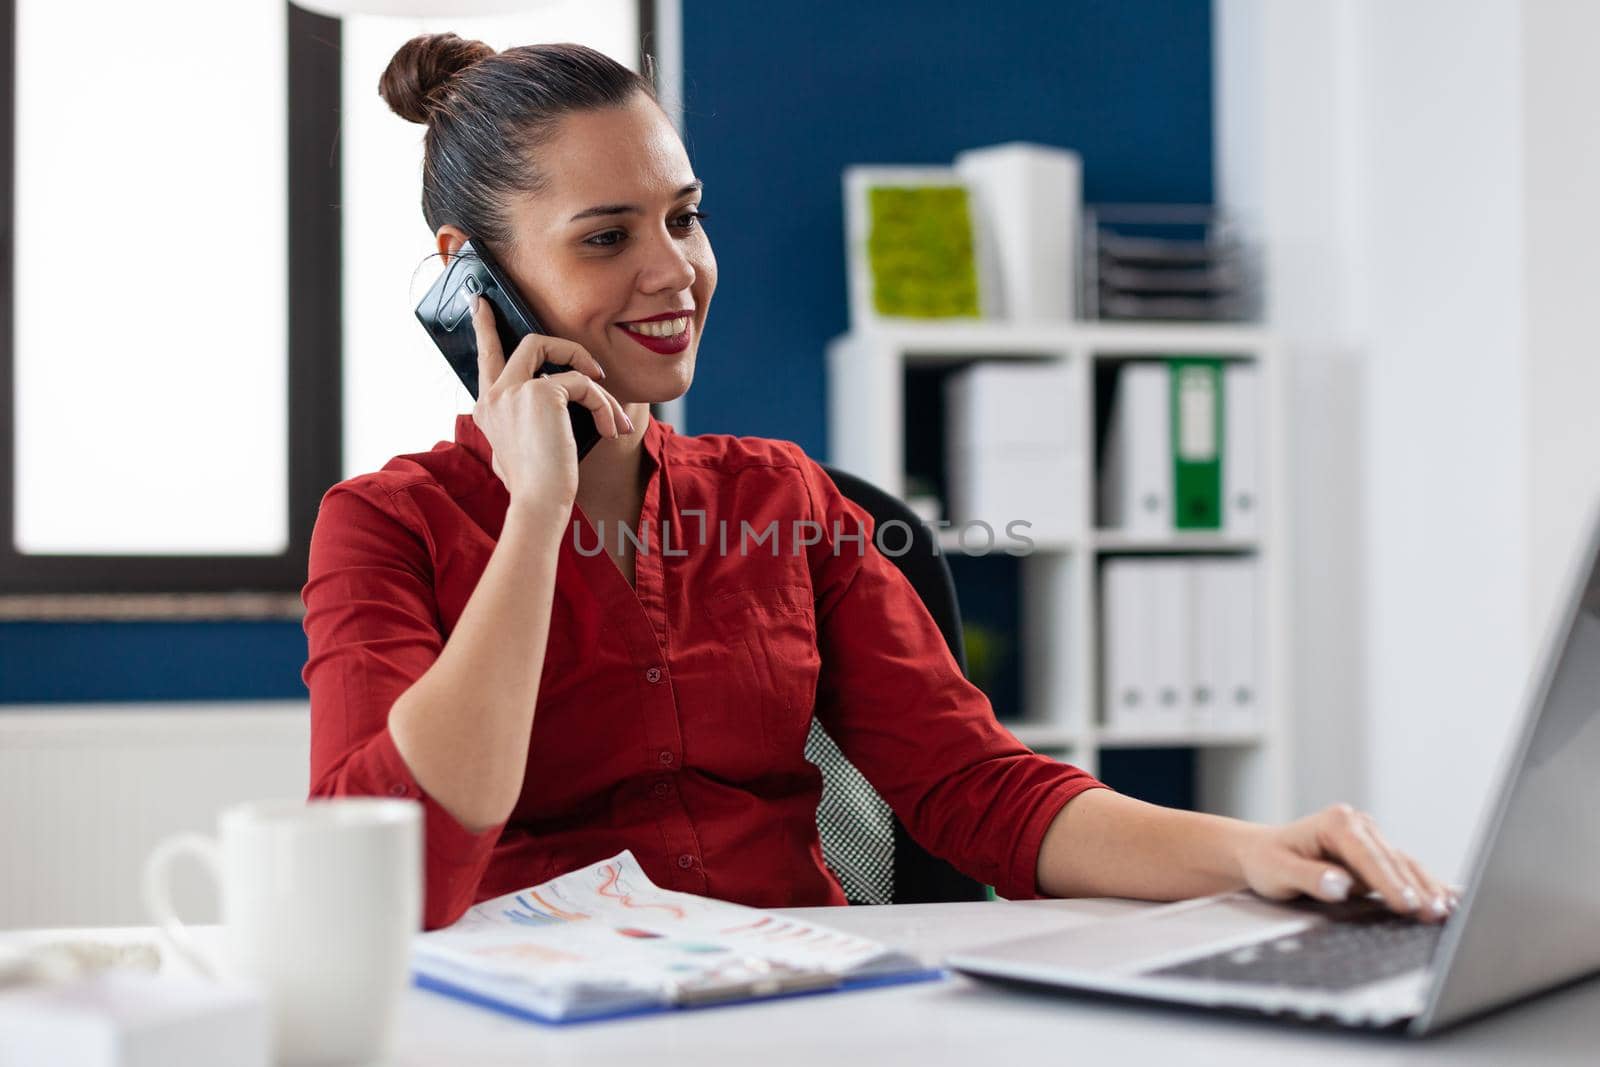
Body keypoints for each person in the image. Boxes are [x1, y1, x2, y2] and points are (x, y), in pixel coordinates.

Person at [301, 34, 1454, 932]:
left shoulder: (780, 501)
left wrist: (1248, 852)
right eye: (605, 238)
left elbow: (975, 789)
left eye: (685, 217)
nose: (675, 271)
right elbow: (393, 873)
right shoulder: (387, 526)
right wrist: (538, 514)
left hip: (803, 1007)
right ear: (472, 275)